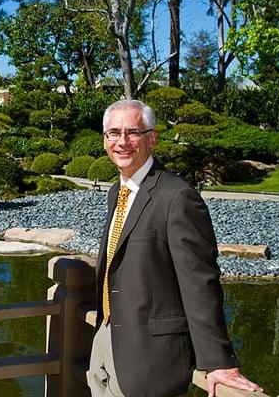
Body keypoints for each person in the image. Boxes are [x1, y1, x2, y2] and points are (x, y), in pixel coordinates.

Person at [86, 100, 262, 397]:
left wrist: (218, 361)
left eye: (133, 132)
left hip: (149, 357)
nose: (122, 142)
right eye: (113, 133)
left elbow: (199, 282)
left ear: (152, 138)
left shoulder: (177, 197)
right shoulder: (118, 191)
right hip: (106, 339)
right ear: (104, 139)